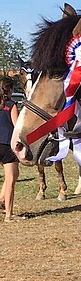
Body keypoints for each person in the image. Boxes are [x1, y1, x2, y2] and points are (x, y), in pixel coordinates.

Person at [0, 76, 19, 222]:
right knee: (11, 179)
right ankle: (8, 215)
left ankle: (1, 200)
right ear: (10, 89)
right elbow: (17, 126)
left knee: (14, 174)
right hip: (6, 145)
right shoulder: (11, 105)